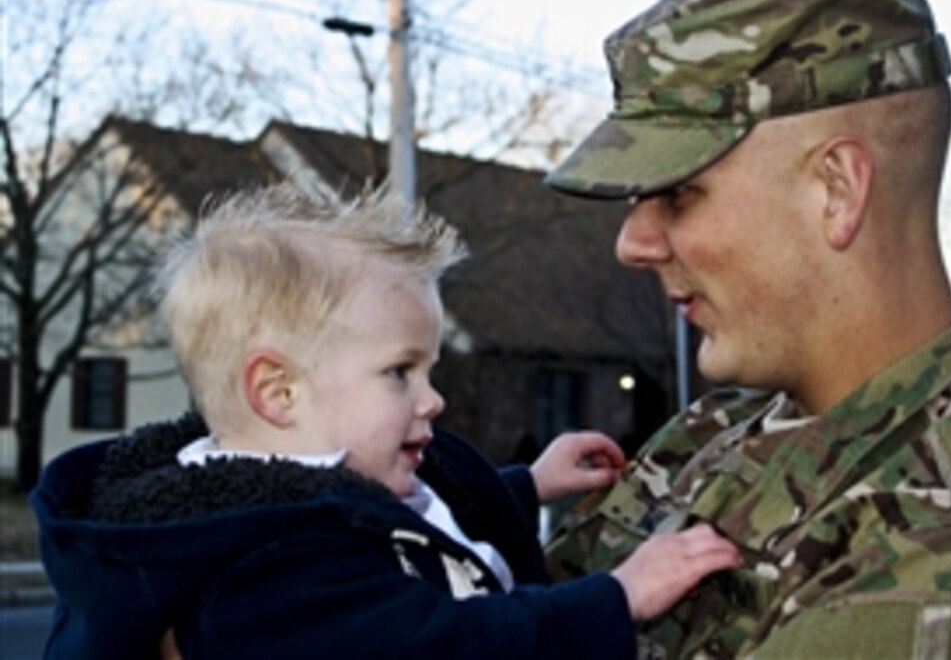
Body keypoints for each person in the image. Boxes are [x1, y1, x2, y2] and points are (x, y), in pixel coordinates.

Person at [543, 0, 951, 658]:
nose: (634, 243)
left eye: (680, 192)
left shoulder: (944, 570)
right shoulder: (719, 430)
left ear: (837, 190)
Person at [31, 184, 741, 660]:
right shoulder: (263, 568)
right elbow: (447, 644)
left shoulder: (333, 473)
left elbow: (419, 522)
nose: (432, 399)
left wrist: (526, 486)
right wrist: (616, 598)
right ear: (279, 392)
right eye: (400, 371)